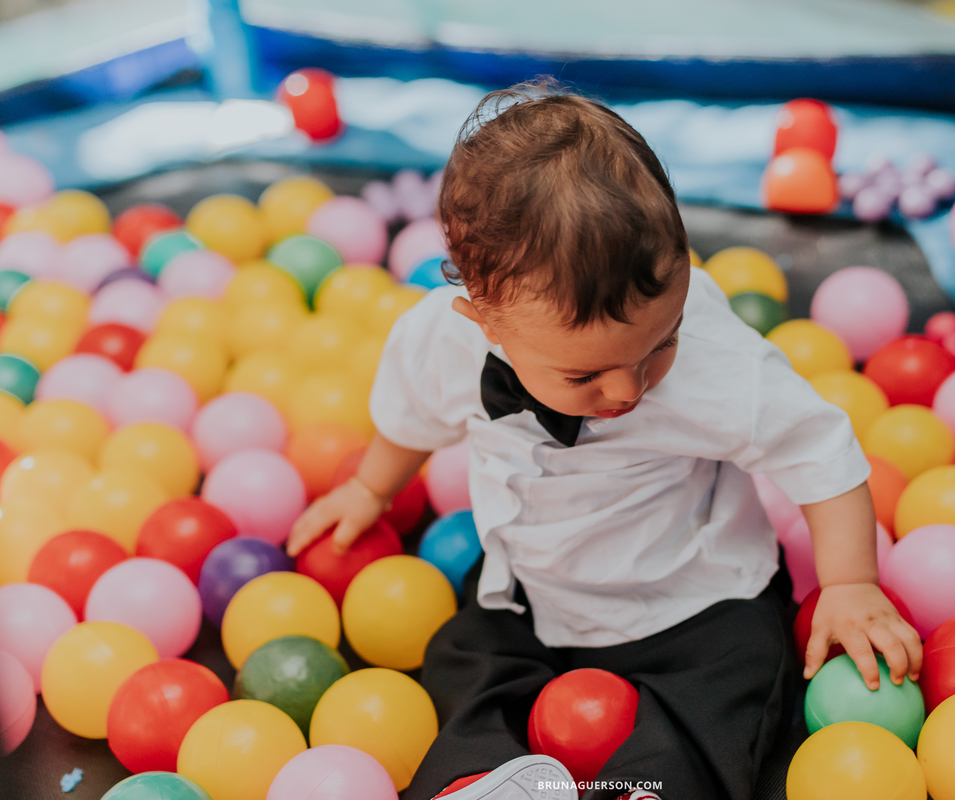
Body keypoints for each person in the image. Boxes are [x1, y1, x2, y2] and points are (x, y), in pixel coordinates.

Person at [287, 80, 922, 800]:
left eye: (659, 344)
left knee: (739, 677)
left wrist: (850, 584)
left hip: (693, 600)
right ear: (485, 321)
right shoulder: (443, 341)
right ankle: (487, 778)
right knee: (465, 657)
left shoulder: (716, 360)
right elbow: (411, 416)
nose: (627, 390)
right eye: (584, 373)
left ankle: (646, 787)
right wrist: (369, 488)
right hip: (533, 598)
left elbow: (819, 450)